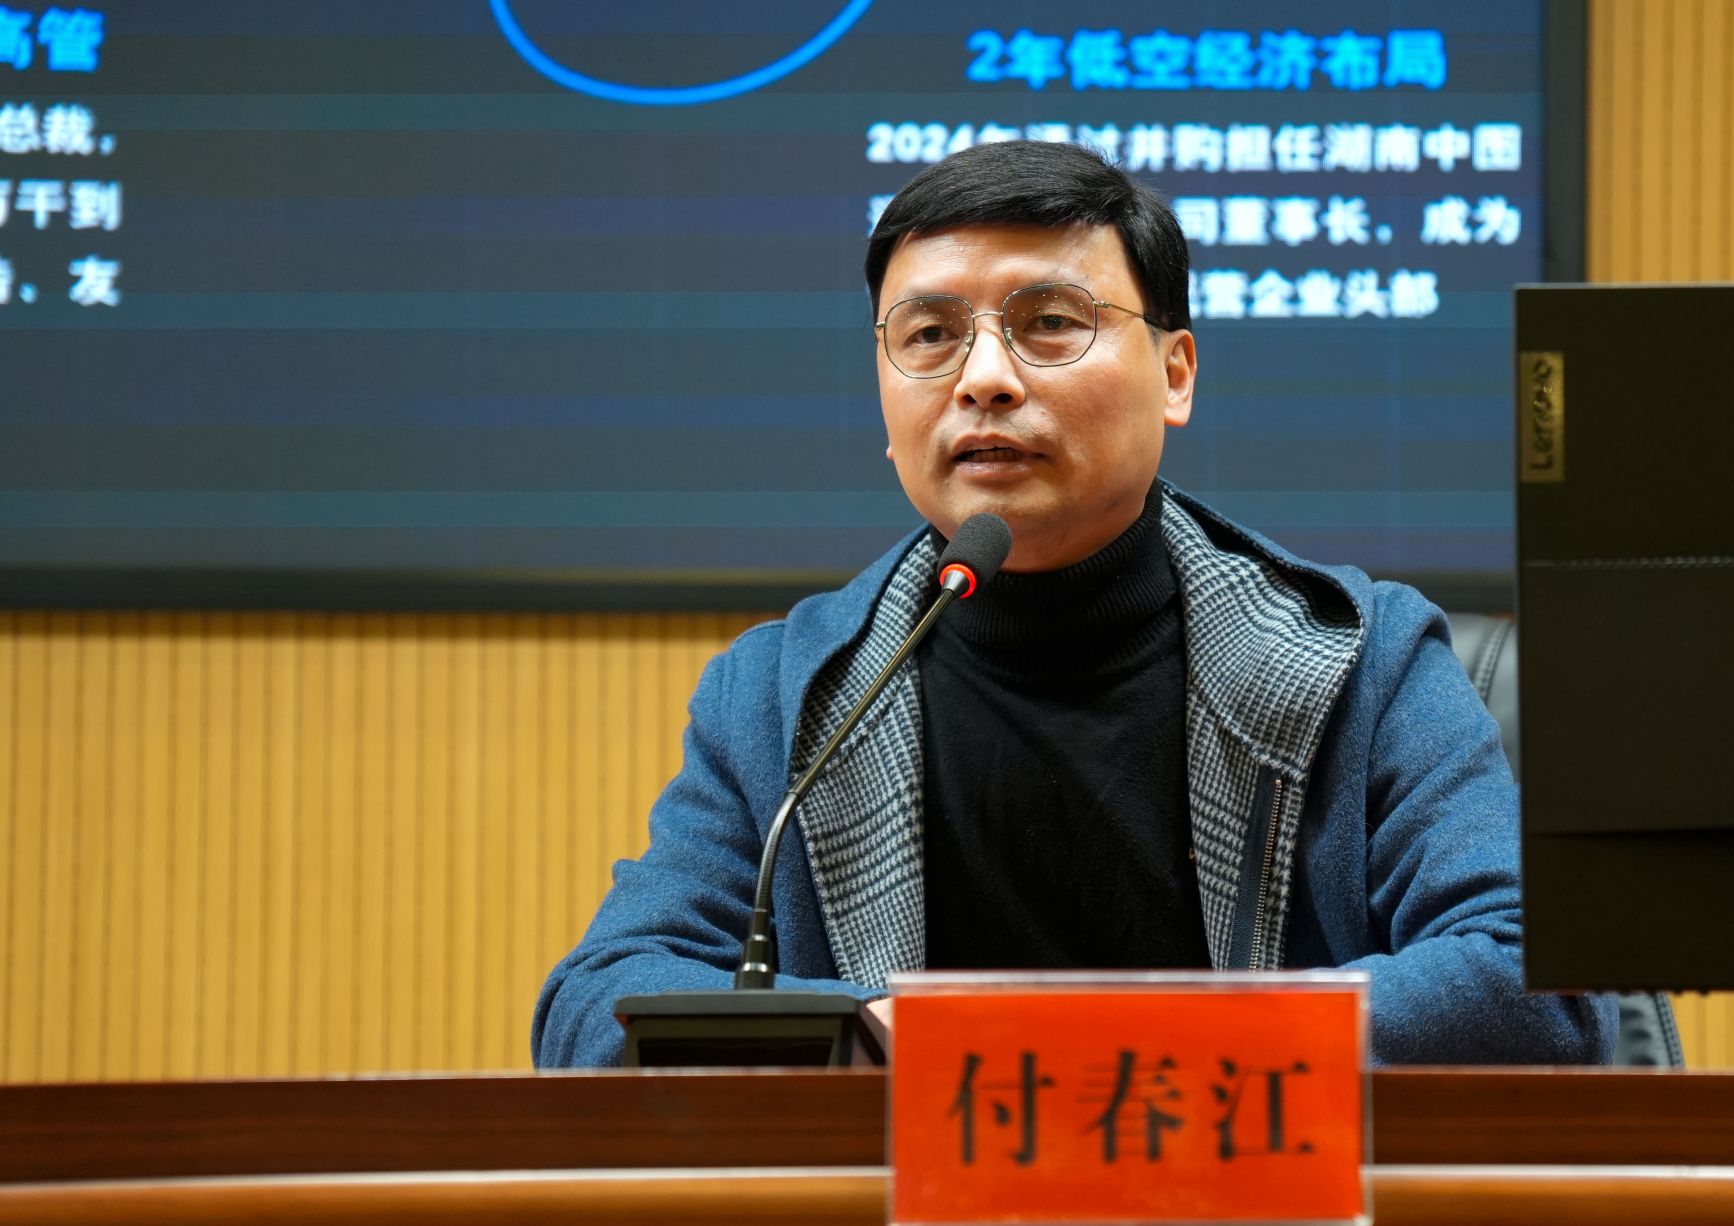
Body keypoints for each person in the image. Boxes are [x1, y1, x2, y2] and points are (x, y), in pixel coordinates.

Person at [532, 141, 1615, 1066]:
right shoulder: (782, 695)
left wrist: (1090, 1048)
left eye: (1049, 321)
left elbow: (1537, 977)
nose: (983, 378)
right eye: (928, 335)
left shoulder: (1364, 661)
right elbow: (596, 1006)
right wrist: (865, 1041)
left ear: (1175, 373)